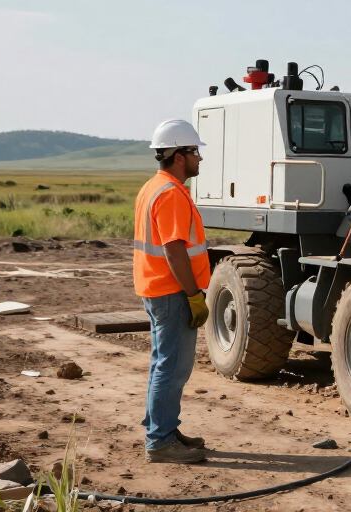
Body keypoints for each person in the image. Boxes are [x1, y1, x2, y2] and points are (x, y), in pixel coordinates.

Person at [135, 119, 212, 464]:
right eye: (195, 151)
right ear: (178, 156)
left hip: (157, 288)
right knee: (172, 367)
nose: (199, 158)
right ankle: (161, 440)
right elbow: (174, 249)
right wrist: (193, 294)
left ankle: (162, 427)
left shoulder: (154, 187)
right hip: (172, 292)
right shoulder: (170, 194)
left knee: (162, 363)